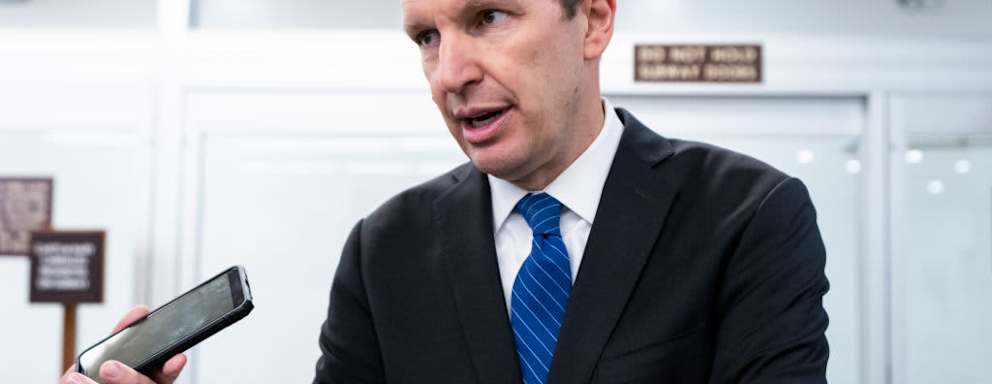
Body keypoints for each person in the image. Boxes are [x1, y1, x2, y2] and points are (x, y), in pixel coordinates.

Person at [61, 0, 829, 383]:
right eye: (426, 37)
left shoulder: (748, 218)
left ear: (592, 21)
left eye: (487, 17)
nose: (449, 73)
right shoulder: (385, 248)